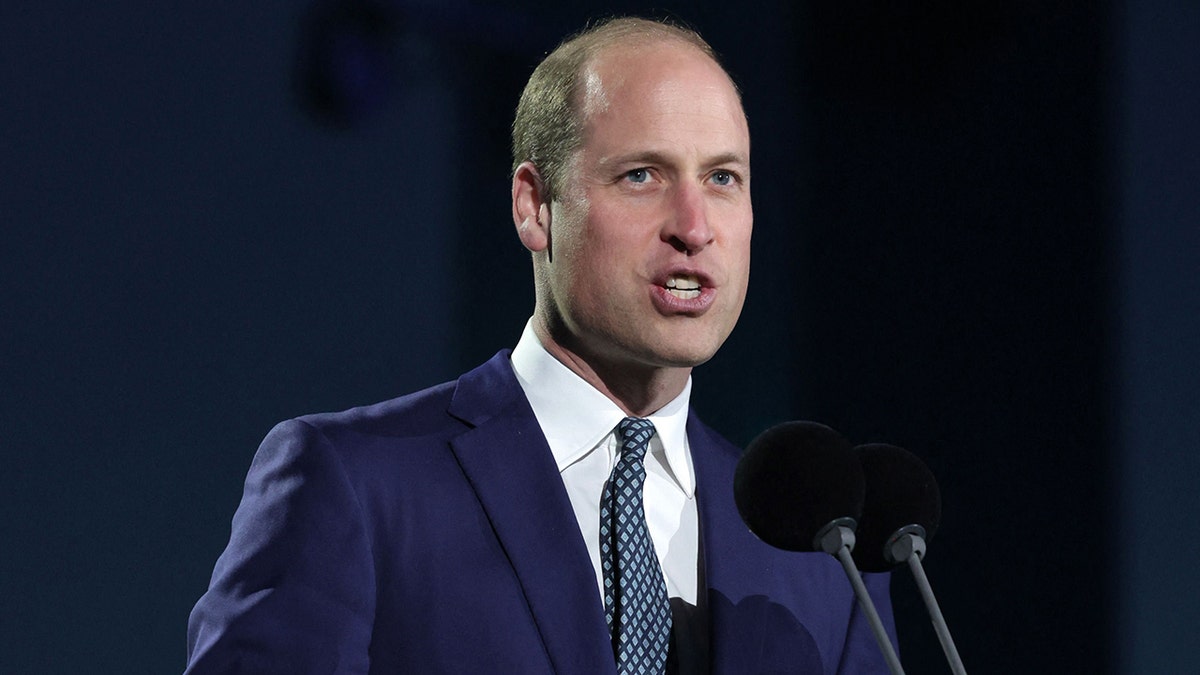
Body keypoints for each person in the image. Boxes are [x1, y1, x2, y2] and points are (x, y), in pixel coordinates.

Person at [185, 16, 895, 675]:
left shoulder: (824, 558)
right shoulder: (355, 487)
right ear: (533, 205)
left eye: (722, 178)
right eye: (641, 175)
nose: (694, 225)